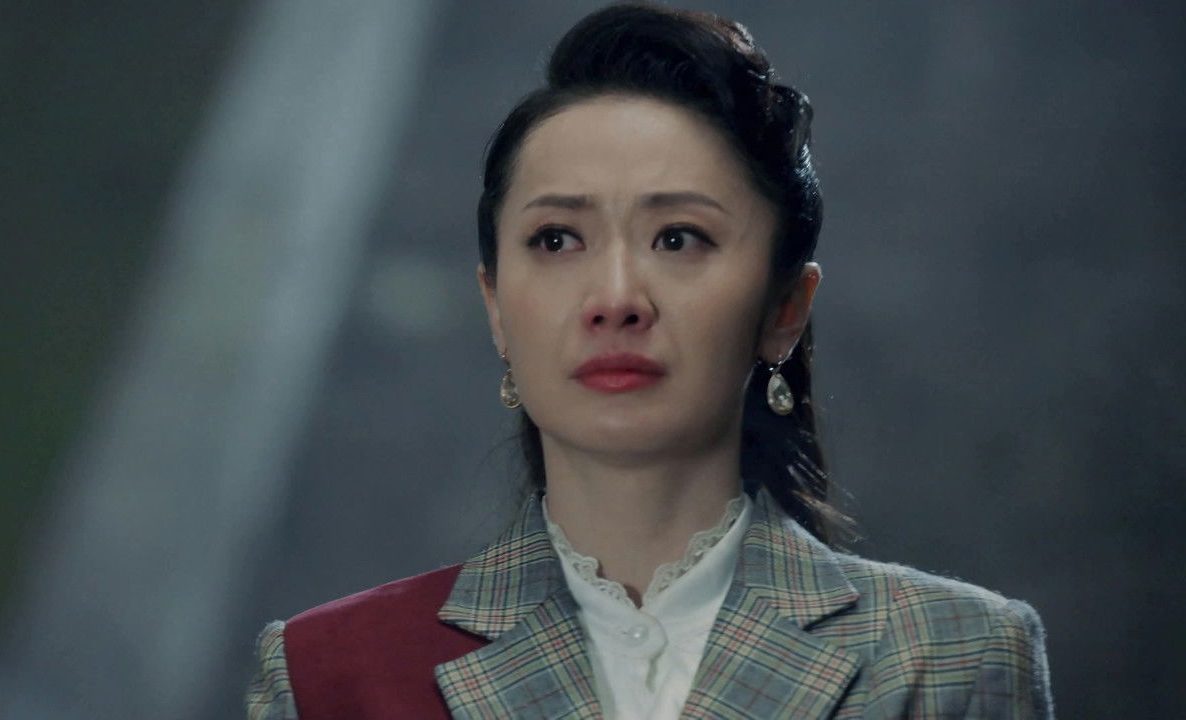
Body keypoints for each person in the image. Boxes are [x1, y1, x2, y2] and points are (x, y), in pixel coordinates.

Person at [246, 3, 1055, 718]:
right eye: (556, 239)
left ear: (785, 308)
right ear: (495, 305)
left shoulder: (955, 657)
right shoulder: (328, 673)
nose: (616, 298)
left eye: (678, 238)